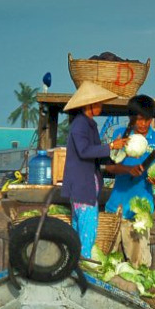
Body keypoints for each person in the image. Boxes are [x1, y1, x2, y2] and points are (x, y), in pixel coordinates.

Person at [61, 81, 127, 259]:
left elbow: (97, 154)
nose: (101, 106)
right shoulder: (80, 124)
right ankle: (83, 269)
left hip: (86, 190)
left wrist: (116, 151)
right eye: (98, 103)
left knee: (78, 235)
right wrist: (112, 145)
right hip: (83, 191)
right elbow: (85, 151)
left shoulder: (88, 124)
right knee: (86, 237)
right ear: (88, 105)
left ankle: (75, 267)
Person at [104, 95, 155, 266]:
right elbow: (109, 167)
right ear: (131, 118)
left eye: (147, 120)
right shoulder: (121, 136)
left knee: (138, 266)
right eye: (139, 120)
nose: (143, 124)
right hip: (115, 208)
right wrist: (128, 170)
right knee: (106, 264)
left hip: (140, 214)